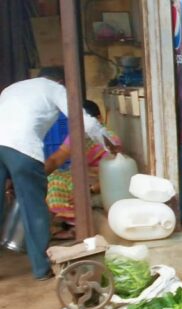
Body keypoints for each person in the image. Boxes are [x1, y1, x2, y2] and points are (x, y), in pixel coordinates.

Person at [0, 67, 112, 280]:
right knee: (34, 209)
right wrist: (107, 143)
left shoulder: (13, 88)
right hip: (22, 148)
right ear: (61, 81)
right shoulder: (54, 88)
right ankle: (41, 269)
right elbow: (83, 120)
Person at [44, 100, 118, 240]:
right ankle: (67, 222)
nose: (84, 126)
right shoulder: (77, 136)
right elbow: (57, 158)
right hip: (82, 177)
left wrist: (90, 190)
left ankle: (77, 226)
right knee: (53, 178)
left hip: (100, 181)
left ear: (99, 119)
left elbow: (112, 175)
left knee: (67, 187)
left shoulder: (109, 140)